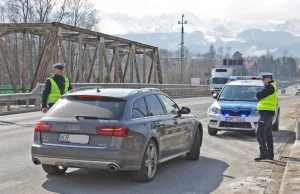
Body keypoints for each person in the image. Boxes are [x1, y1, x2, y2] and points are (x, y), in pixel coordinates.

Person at [254, 72, 278, 161]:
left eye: (263, 79)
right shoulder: (273, 86)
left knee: (259, 133)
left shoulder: (269, 86)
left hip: (265, 113)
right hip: (269, 112)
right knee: (268, 134)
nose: (262, 80)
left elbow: (259, 95)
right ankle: (270, 154)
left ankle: (264, 153)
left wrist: (258, 95)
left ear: (268, 78)